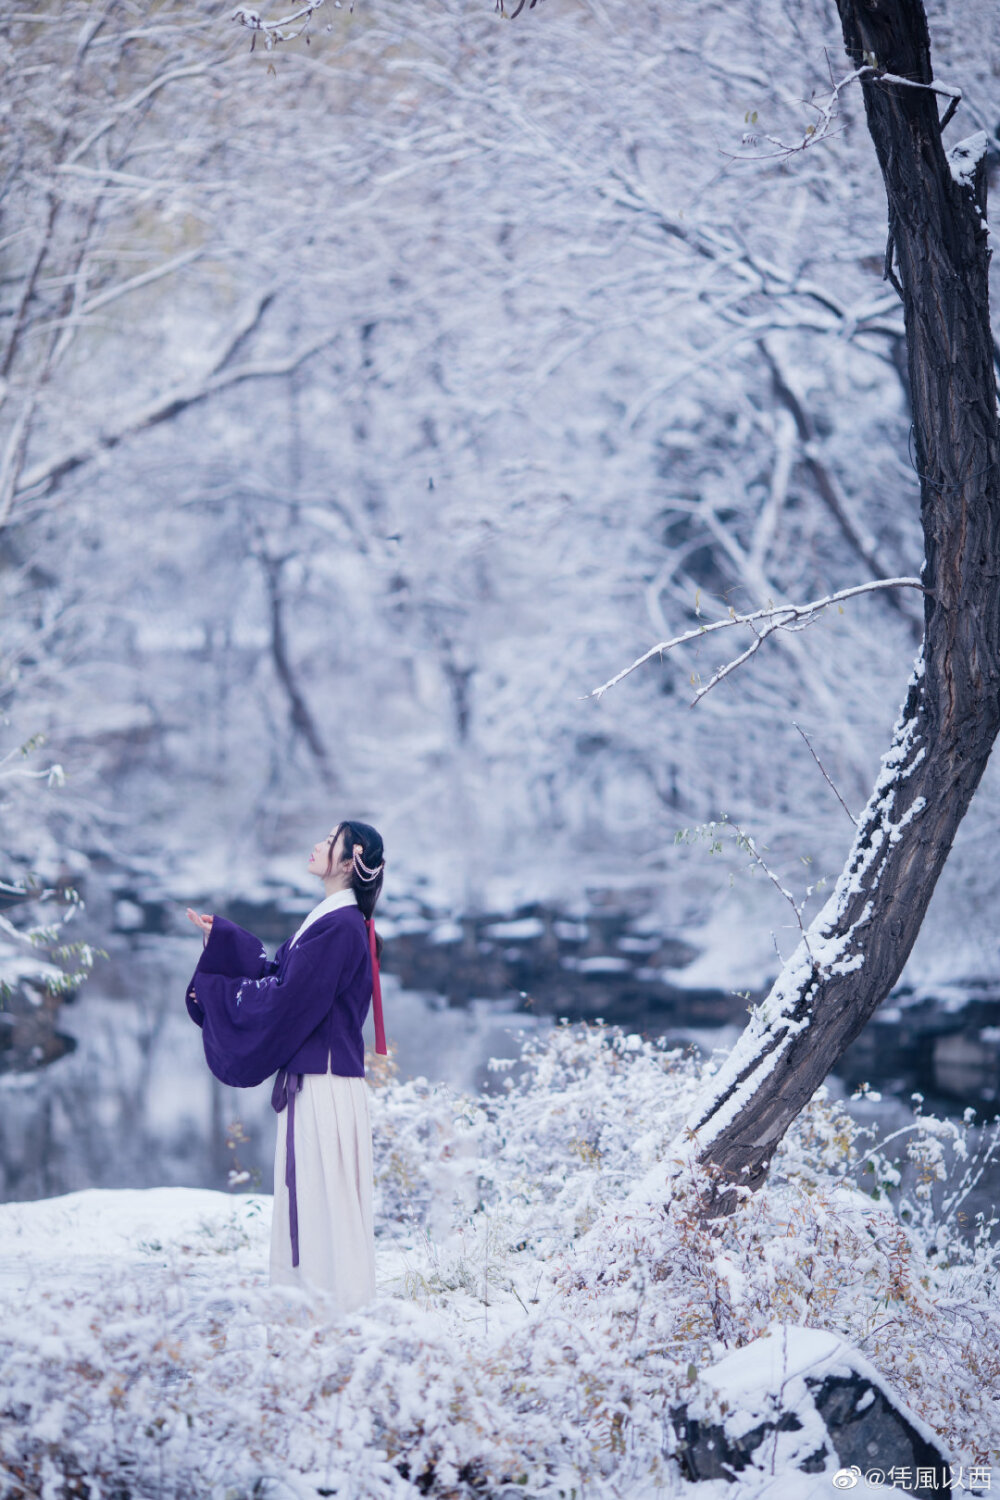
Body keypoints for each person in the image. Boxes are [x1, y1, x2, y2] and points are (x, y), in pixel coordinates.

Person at [184, 820, 386, 1313]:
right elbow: (287, 979)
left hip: (324, 1085)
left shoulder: (338, 926)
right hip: (322, 1083)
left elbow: (288, 1000)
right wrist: (225, 942)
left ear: (345, 861)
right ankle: (320, 1315)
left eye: (329, 839)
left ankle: (326, 1317)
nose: (317, 843)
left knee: (321, 1201)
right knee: (317, 1199)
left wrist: (215, 990)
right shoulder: (334, 921)